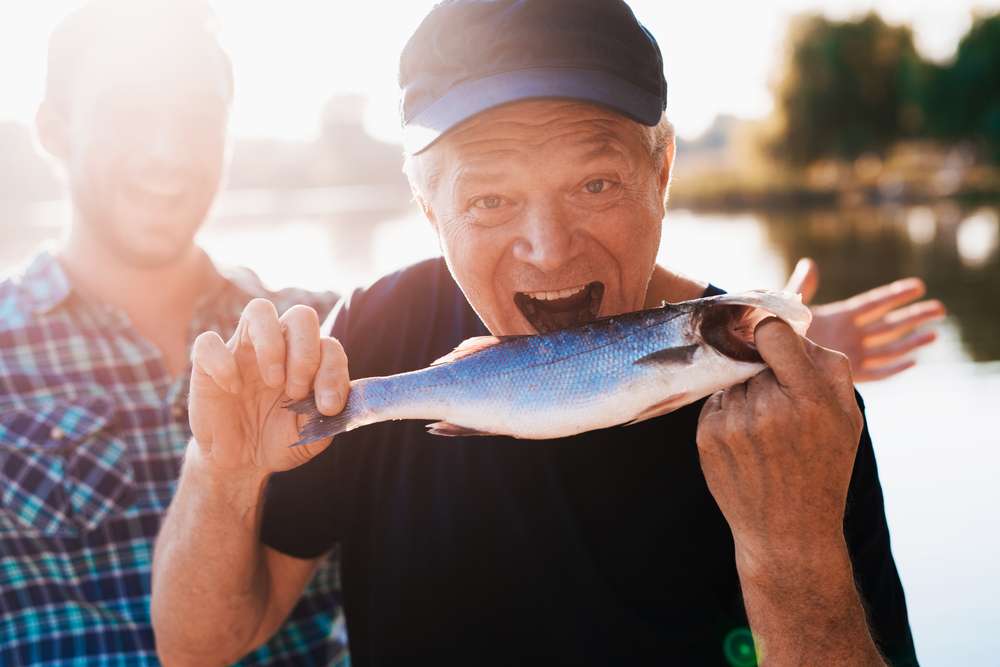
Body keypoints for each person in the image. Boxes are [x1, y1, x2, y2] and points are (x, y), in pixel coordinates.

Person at [153, 1, 934, 664]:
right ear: (431, 212)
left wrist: (791, 552)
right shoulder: (375, 337)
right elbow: (202, 645)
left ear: (661, 173)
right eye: (490, 201)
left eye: (595, 184)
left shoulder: (794, 408)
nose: (549, 248)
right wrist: (223, 474)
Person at [0, 1, 347, 665]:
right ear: (54, 127)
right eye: (130, 113)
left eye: (198, 116)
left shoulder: (324, 332)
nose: (169, 152)